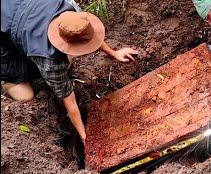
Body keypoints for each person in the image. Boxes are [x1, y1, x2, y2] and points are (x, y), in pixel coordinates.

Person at [1, 0, 139, 144]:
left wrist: (114, 53)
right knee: (25, 95)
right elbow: (70, 104)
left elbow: (88, 34)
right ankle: (7, 80)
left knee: (63, 62)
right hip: (5, 31)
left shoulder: (72, 12)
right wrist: (85, 137)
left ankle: (27, 56)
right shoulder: (50, 60)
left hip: (25, 15)